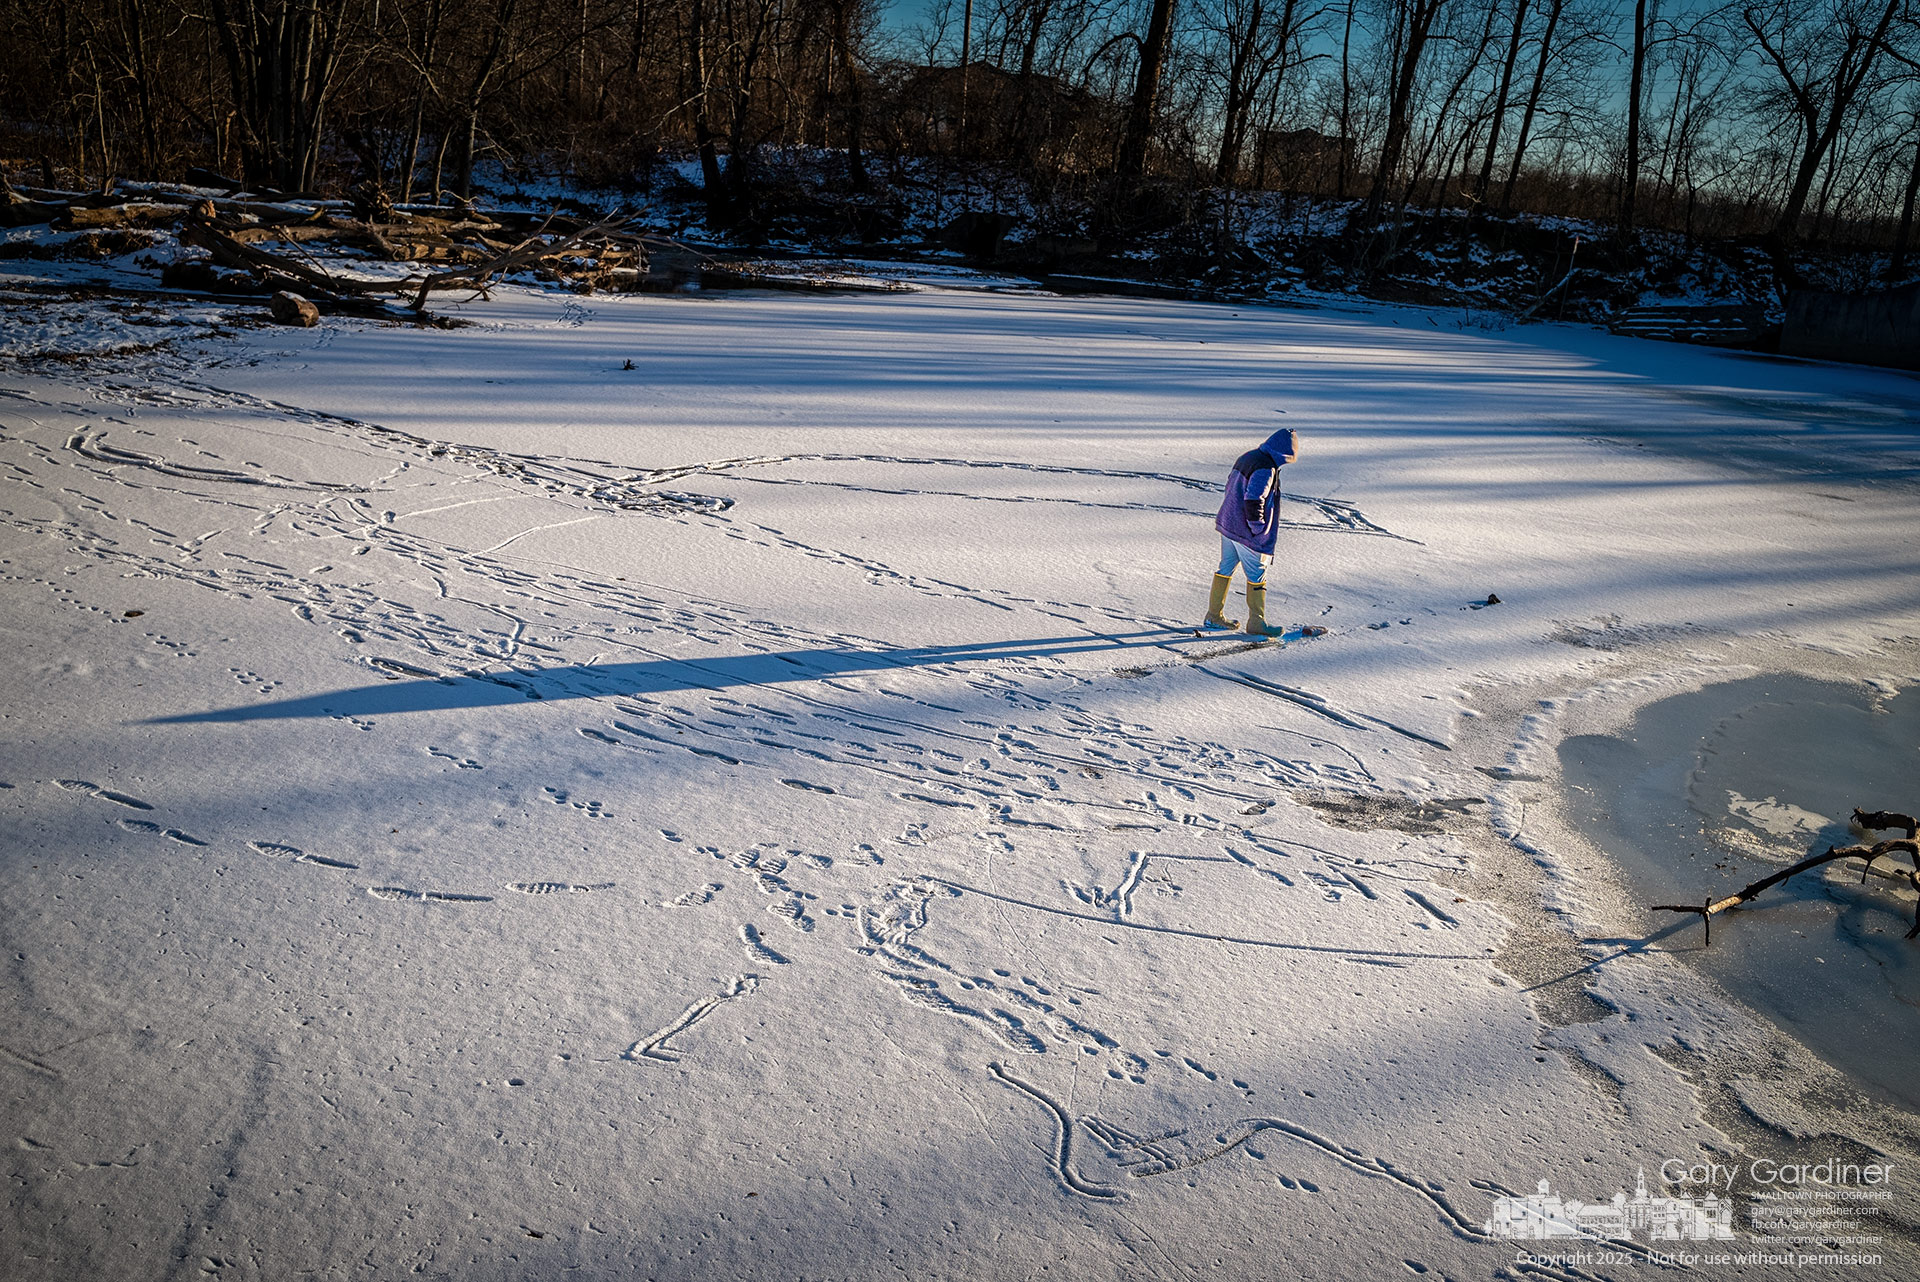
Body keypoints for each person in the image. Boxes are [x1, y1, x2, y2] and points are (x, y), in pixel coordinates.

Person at [1206, 427, 1296, 637]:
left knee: (1225, 567)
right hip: (1245, 531)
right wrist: (1258, 528)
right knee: (1257, 574)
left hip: (1228, 523)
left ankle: (1213, 615)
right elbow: (1254, 499)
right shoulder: (1265, 468)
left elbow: (1231, 485)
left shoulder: (1248, 457)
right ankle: (1257, 621)